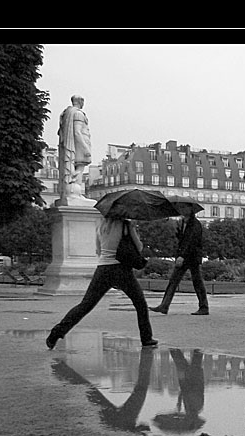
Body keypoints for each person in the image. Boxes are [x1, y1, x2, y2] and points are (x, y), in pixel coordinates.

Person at [46, 216, 157, 350]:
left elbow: (98, 251)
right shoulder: (126, 225)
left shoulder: (101, 226)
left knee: (86, 304)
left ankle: (57, 332)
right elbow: (138, 247)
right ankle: (146, 338)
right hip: (121, 269)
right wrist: (133, 230)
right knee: (140, 304)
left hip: (103, 269)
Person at [151, 208, 208, 315]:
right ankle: (164, 305)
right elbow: (184, 240)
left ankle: (204, 307)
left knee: (196, 282)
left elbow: (191, 242)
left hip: (191, 256)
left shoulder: (195, 224)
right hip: (187, 256)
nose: (181, 210)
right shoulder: (184, 223)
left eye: (184, 208)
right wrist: (178, 232)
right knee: (175, 281)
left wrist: (182, 256)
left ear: (190, 210)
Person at [58, 95, 92, 201]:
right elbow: (77, 132)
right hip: (79, 145)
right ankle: (75, 193)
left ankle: (74, 193)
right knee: (80, 168)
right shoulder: (78, 114)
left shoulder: (67, 113)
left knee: (77, 169)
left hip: (74, 144)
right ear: (80, 102)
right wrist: (85, 148)